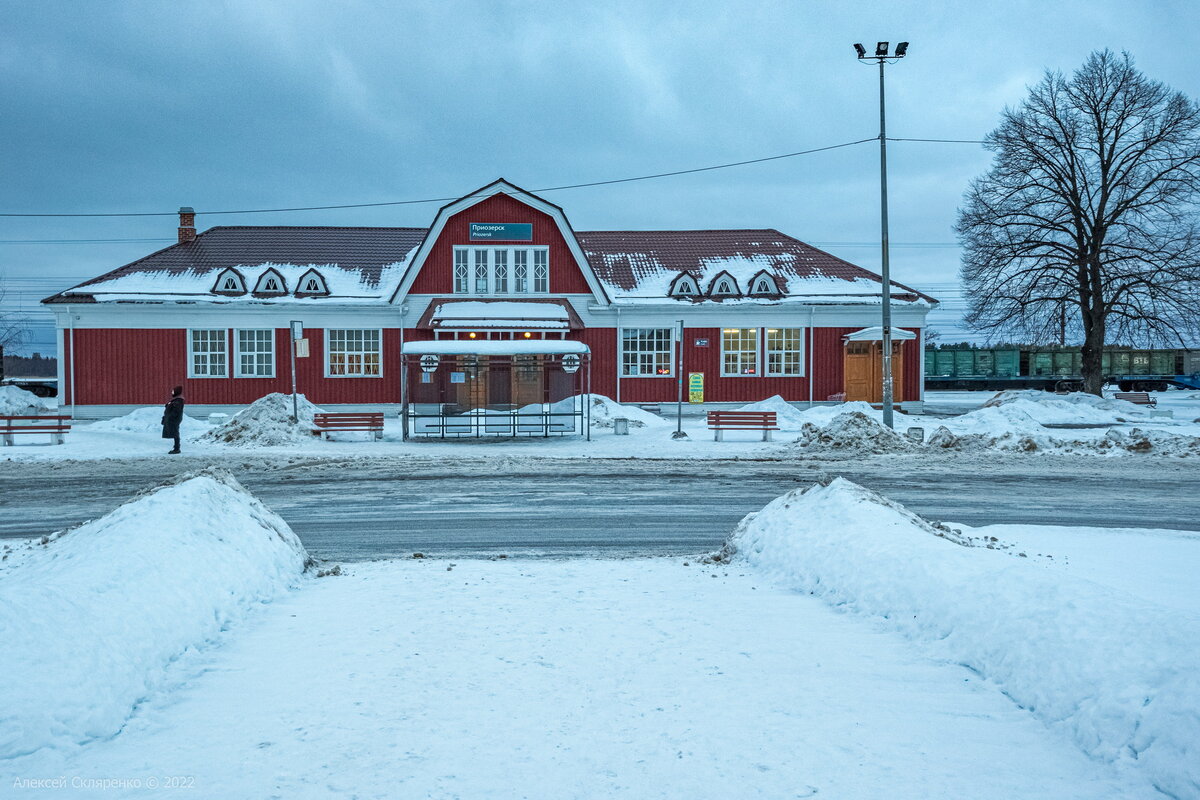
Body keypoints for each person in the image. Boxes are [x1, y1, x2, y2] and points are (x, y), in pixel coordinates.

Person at [161, 385, 185, 454]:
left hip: (174, 419)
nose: (172, 392)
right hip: (172, 419)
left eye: (173, 391)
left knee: (175, 433)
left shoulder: (178, 400)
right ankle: (176, 447)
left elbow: (175, 411)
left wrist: (170, 417)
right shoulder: (175, 400)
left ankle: (177, 448)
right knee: (175, 432)